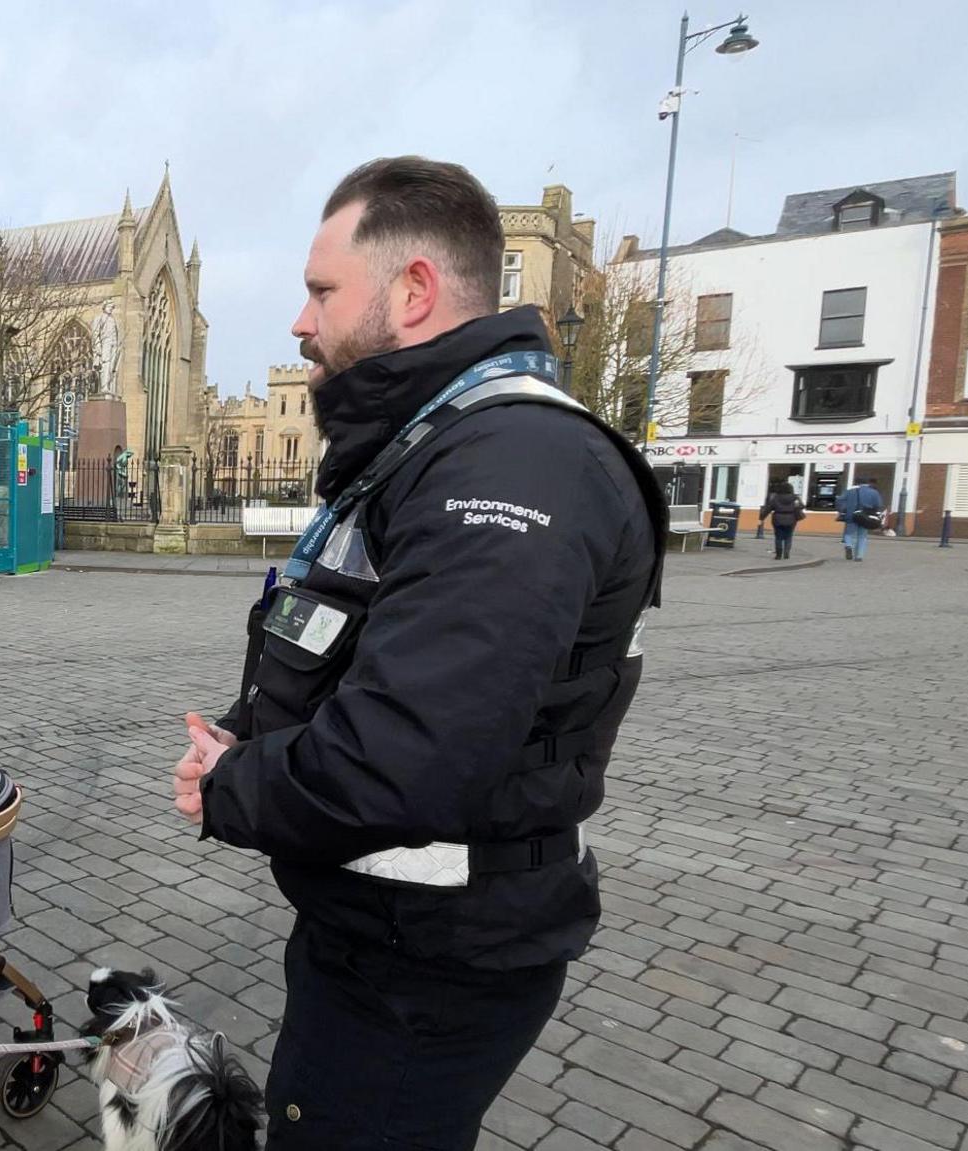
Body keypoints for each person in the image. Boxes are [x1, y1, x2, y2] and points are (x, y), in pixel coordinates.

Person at [171, 157, 665, 1150]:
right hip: (381, 932)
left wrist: (234, 785)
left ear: (411, 292)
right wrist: (242, 730)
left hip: (428, 961)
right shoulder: (431, 447)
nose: (299, 323)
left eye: (319, 291)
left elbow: (407, 752)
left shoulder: (509, 462)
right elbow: (357, 647)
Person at [835, 477, 886, 561]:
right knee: (862, 536)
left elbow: (839, 500)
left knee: (848, 534)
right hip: (866, 516)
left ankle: (848, 546)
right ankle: (859, 556)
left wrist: (842, 510)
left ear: (856, 483)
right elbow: (878, 505)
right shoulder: (874, 492)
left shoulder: (849, 491)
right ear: (868, 483)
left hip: (851, 515)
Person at [760, 481, 806, 560]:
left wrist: (761, 518)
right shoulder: (795, 497)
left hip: (778, 519)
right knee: (788, 536)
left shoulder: (775, 497)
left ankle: (778, 555)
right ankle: (786, 553)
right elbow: (802, 506)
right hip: (791, 519)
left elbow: (768, 508)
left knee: (778, 537)